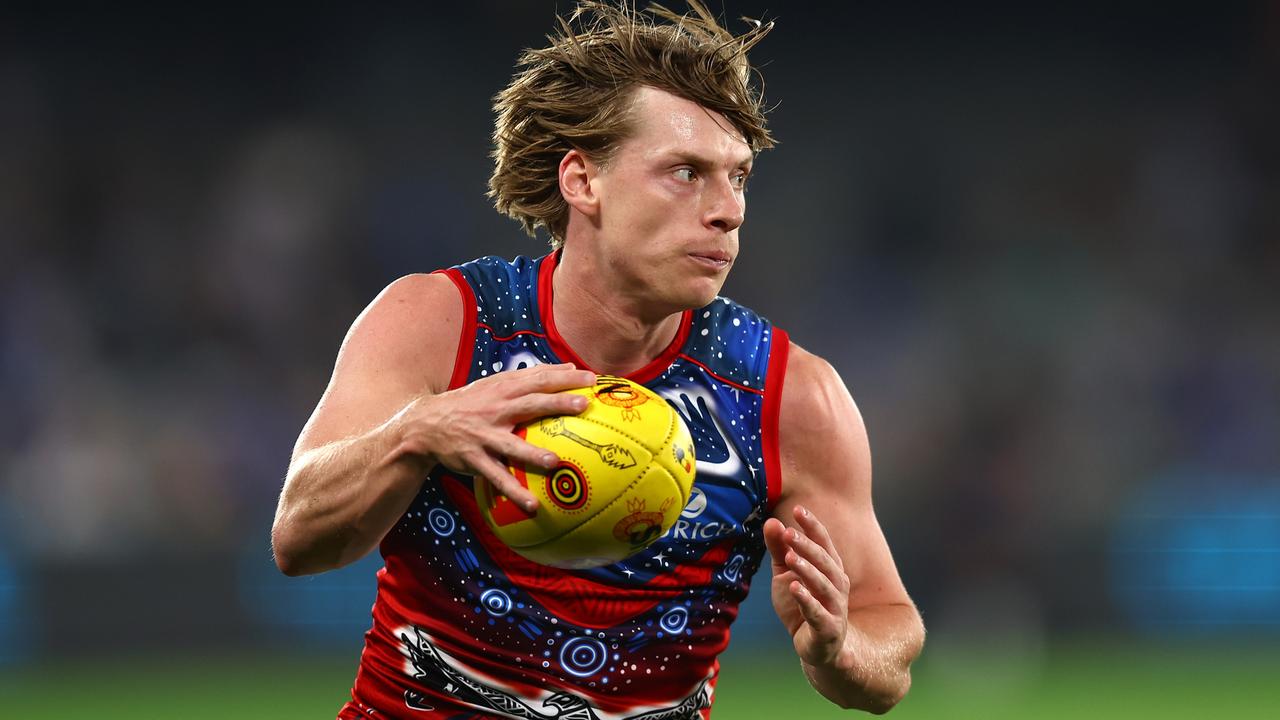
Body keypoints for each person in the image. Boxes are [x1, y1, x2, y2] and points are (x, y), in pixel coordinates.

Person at [271, 2, 925, 717]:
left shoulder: (789, 394)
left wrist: (839, 650)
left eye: (737, 177)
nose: (728, 209)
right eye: (685, 172)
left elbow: (888, 626)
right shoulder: (438, 323)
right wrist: (416, 431)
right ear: (583, 181)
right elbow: (299, 540)